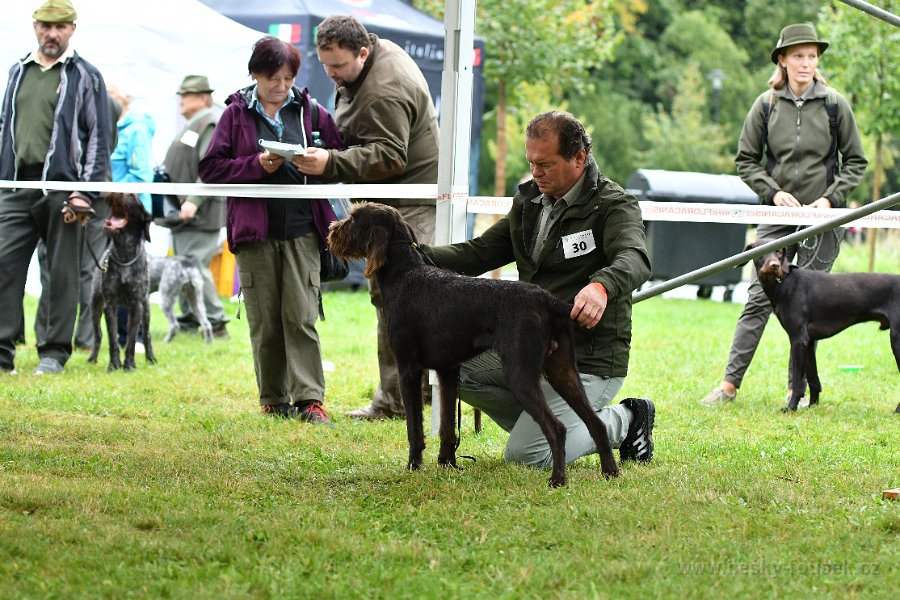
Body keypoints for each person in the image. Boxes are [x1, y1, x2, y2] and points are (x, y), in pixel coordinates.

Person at [420, 111, 655, 468]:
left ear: (579, 158)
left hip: (588, 359)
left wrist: (601, 287)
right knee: (454, 366)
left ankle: (624, 420)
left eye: (545, 164)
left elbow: (635, 258)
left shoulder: (613, 204)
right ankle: (554, 428)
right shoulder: (528, 201)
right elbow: (479, 253)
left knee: (526, 456)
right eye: (530, 162)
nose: (535, 172)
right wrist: (413, 254)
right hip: (529, 347)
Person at [701, 23, 867, 406]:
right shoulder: (766, 105)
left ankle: (800, 391)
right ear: (782, 60)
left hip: (822, 217)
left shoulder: (834, 104)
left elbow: (856, 161)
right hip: (776, 216)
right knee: (759, 296)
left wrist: (830, 199)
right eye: (798, 56)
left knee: (813, 305)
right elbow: (745, 160)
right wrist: (772, 193)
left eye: (812, 56)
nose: (806, 63)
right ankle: (729, 385)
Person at [297, 14, 439, 420]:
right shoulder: (370, 58)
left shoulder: (383, 88)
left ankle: (397, 402)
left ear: (363, 51)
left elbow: (391, 156)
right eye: (325, 65)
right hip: (398, 198)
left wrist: (331, 162)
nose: (331, 74)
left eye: (338, 66)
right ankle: (415, 394)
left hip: (409, 200)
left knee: (397, 297)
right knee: (403, 299)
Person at [198, 36, 344, 424]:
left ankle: (310, 400)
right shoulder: (234, 114)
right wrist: (255, 167)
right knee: (264, 320)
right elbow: (210, 169)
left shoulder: (311, 112)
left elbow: (342, 159)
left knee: (301, 316)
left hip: (302, 230)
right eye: (271, 78)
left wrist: (322, 161)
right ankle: (274, 397)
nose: (280, 85)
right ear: (254, 74)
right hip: (253, 233)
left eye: (287, 77)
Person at [0, 0, 111, 376]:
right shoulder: (18, 70)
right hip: (16, 185)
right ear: (35, 27)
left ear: (72, 29)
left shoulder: (87, 75)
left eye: (60, 27)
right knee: (3, 265)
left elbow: (100, 137)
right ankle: (2, 353)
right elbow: (5, 127)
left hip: (64, 188)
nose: (52, 34)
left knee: (62, 273)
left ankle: (53, 353)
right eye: (46, 26)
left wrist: (86, 192)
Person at [158, 75, 229, 340]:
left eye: (186, 94)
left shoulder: (209, 123)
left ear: (201, 97)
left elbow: (210, 168)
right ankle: (189, 318)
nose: (181, 99)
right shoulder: (195, 123)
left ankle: (216, 321)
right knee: (184, 268)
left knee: (195, 267)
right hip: (186, 212)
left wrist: (193, 201)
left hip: (199, 211)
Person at [107, 83, 155, 350]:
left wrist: (122, 206)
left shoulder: (136, 130)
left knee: (131, 278)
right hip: (114, 213)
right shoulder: (112, 129)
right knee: (113, 277)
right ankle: (119, 336)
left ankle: (133, 338)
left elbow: (141, 175)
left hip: (130, 215)